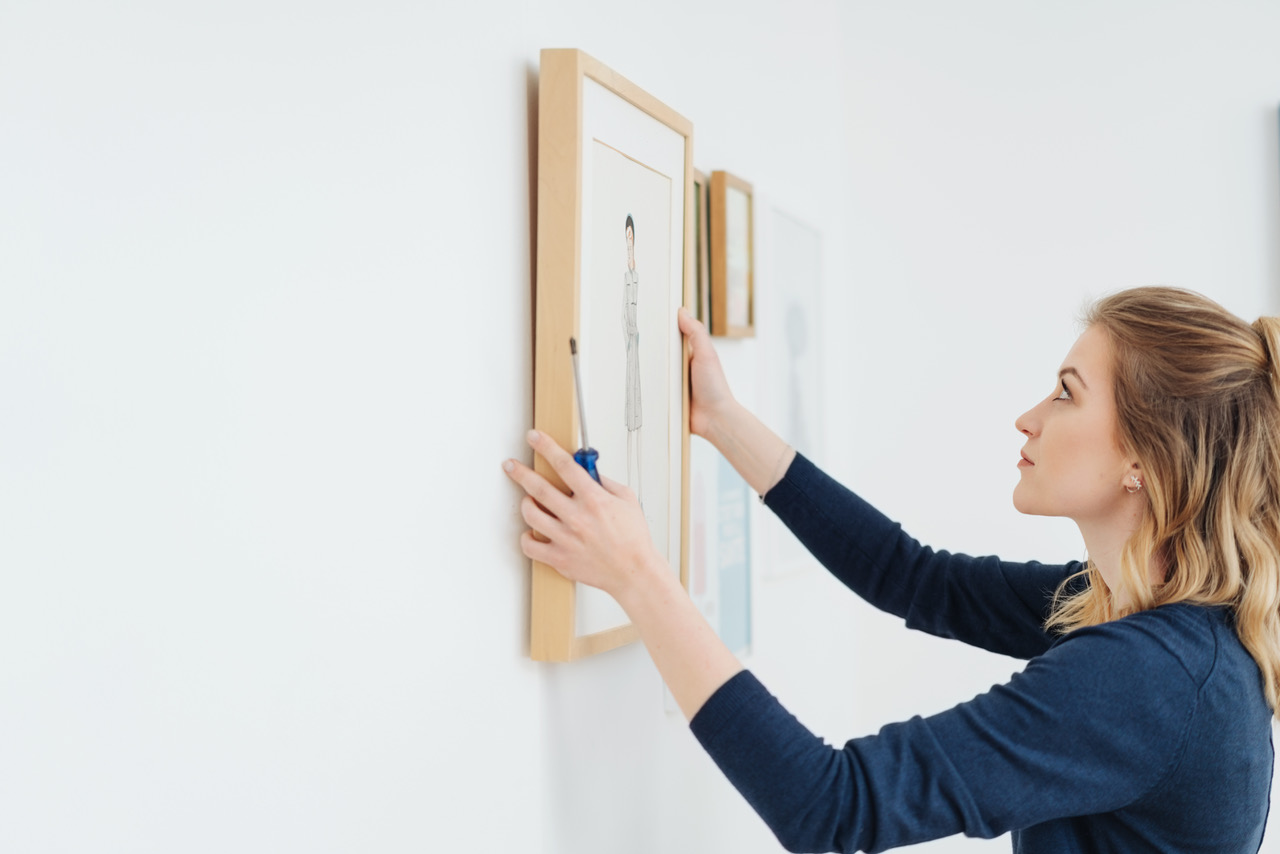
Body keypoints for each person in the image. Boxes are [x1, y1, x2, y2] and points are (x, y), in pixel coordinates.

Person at [502, 287, 1277, 852]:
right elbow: (913, 577)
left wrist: (640, 577)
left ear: (1145, 459)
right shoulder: (1148, 622)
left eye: (1066, 395)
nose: (1029, 417)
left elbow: (830, 808)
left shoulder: (1150, 680)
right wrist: (725, 423)